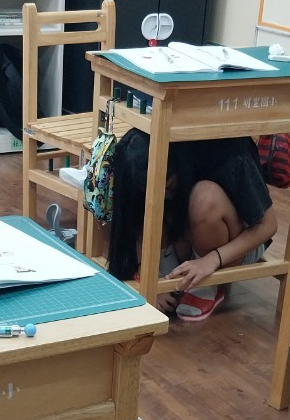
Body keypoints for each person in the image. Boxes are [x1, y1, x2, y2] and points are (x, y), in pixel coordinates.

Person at [108, 128, 277, 321]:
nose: (164, 194)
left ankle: (205, 285)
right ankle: (167, 275)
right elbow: (132, 222)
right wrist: (149, 280)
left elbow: (268, 225)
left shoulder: (229, 151)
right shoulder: (145, 145)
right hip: (185, 235)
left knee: (205, 198)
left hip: (235, 245)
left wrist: (211, 260)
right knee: (149, 203)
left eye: (168, 186)